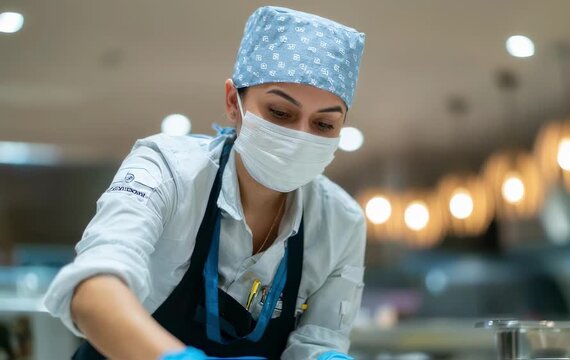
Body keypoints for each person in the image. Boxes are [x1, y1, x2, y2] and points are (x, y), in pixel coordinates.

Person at [43, 5, 366, 360]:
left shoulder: (341, 222)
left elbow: (319, 342)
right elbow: (94, 290)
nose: (300, 136)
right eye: (279, 113)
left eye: (323, 125)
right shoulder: (168, 169)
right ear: (232, 102)